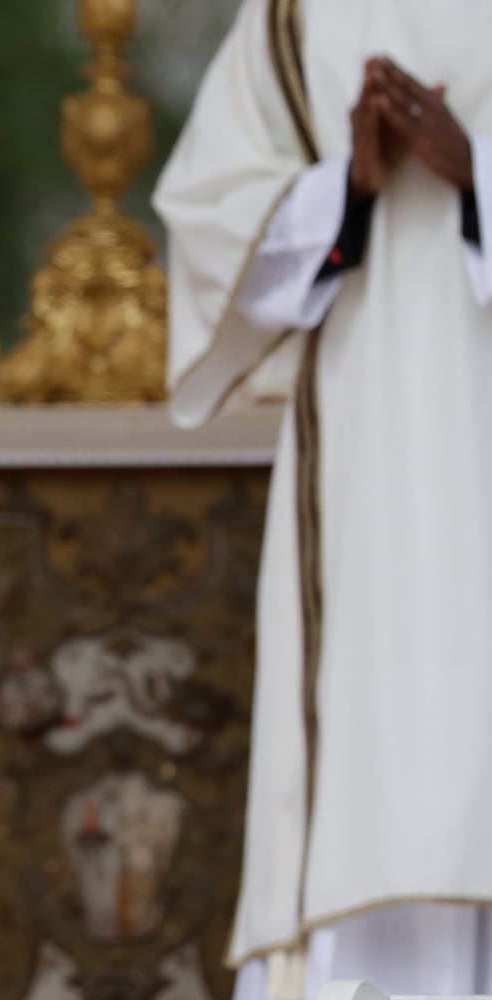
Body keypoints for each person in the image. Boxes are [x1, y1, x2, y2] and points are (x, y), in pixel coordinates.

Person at [155, 1, 492, 997]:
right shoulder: (297, 15)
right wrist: (346, 185)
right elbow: (210, 211)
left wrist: (474, 172)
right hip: (362, 455)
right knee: (362, 750)